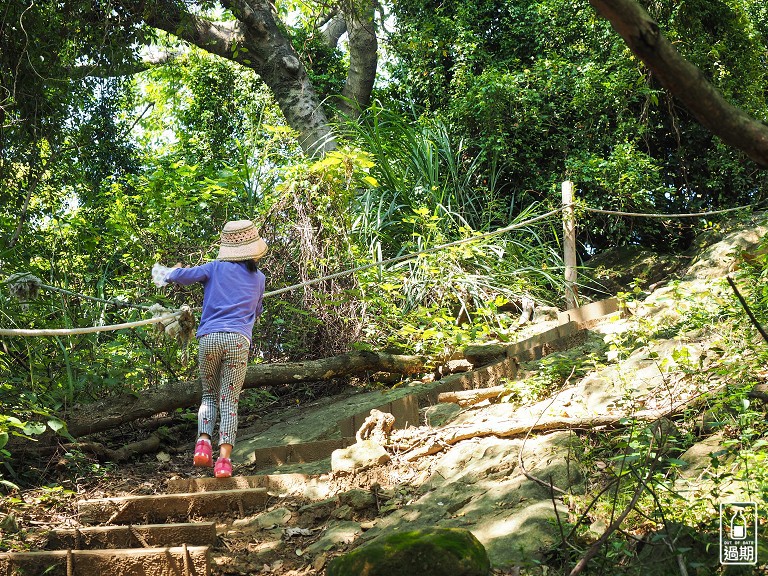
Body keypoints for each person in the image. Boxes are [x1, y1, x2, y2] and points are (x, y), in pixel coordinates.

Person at [152, 220, 267, 478]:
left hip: (209, 339)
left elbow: (181, 276)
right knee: (230, 401)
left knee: (208, 396)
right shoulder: (259, 278)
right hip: (238, 341)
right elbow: (257, 310)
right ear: (254, 251)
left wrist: (168, 271)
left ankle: (203, 444)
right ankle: (224, 461)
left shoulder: (214, 268)